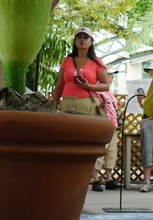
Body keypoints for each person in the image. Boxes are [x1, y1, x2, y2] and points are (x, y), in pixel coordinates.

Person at [49, 27, 110, 190]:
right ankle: (68, 174)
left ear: (91, 42)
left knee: (89, 140)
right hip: (68, 103)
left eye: (86, 37)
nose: (82, 40)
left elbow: (106, 85)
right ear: (75, 41)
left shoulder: (97, 62)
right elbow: (59, 84)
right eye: (79, 37)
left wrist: (88, 85)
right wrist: (53, 103)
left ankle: (93, 177)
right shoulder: (67, 60)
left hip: (88, 103)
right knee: (67, 139)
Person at [92, 67, 121, 191]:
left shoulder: (109, 91)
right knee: (100, 151)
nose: (112, 77)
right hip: (102, 124)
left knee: (111, 151)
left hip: (112, 125)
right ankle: (96, 179)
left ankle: (109, 179)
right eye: (110, 75)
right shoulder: (97, 91)